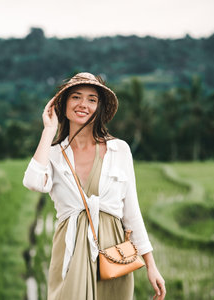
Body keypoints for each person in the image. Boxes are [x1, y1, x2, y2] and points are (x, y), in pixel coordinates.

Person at [22, 72, 166, 300]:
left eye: (92, 99)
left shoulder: (119, 150)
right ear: (64, 104)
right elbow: (32, 181)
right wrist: (48, 130)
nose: (83, 104)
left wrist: (151, 265)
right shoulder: (54, 155)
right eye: (76, 97)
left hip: (112, 254)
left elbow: (132, 212)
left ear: (98, 108)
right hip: (70, 252)